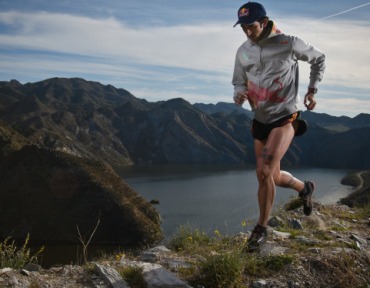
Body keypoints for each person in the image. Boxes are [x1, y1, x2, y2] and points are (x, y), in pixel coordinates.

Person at [232, 2, 325, 251]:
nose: (247, 32)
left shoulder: (289, 43)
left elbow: (318, 59)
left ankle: (261, 229)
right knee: (271, 175)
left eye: (251, 26)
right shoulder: (243, 51)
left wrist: (312, 89)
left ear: (264, 22)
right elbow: (238, 83)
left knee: (262, 174)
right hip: (260, 120)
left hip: (285, 117)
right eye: (242, 28)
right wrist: (239, 95)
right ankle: (305, 188)